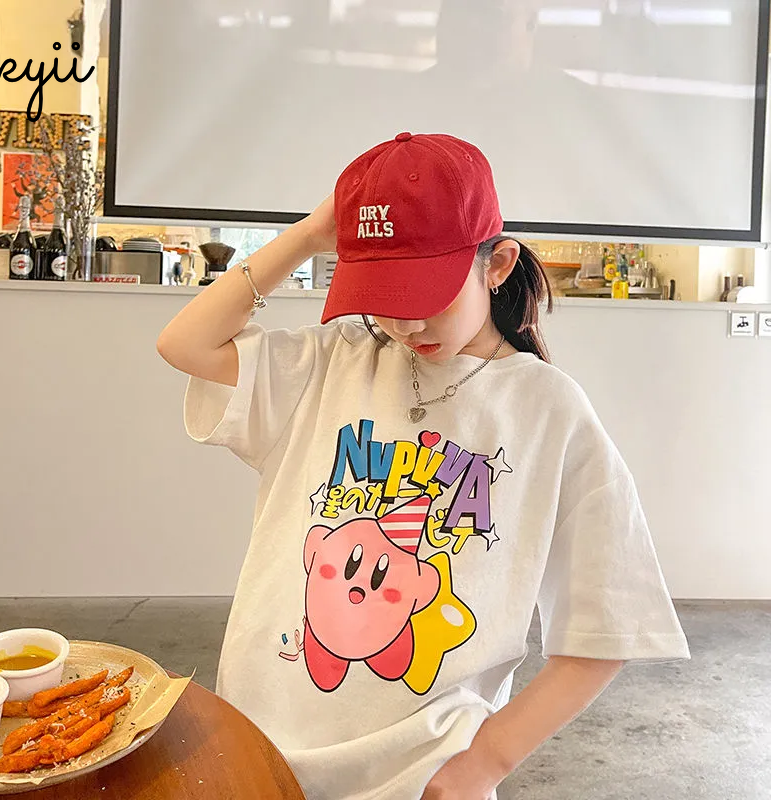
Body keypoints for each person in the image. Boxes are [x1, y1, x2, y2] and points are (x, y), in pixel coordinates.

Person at [157, 132, 690, 800]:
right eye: (381, 294)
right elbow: (184, 343)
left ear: (497, 265)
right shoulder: (332, 361)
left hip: (421, 772)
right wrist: (309, 235)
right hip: (258, 748)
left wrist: (484, 763)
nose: (404, 324)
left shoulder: (547, 410)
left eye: (424, 293)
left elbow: (610, 619)